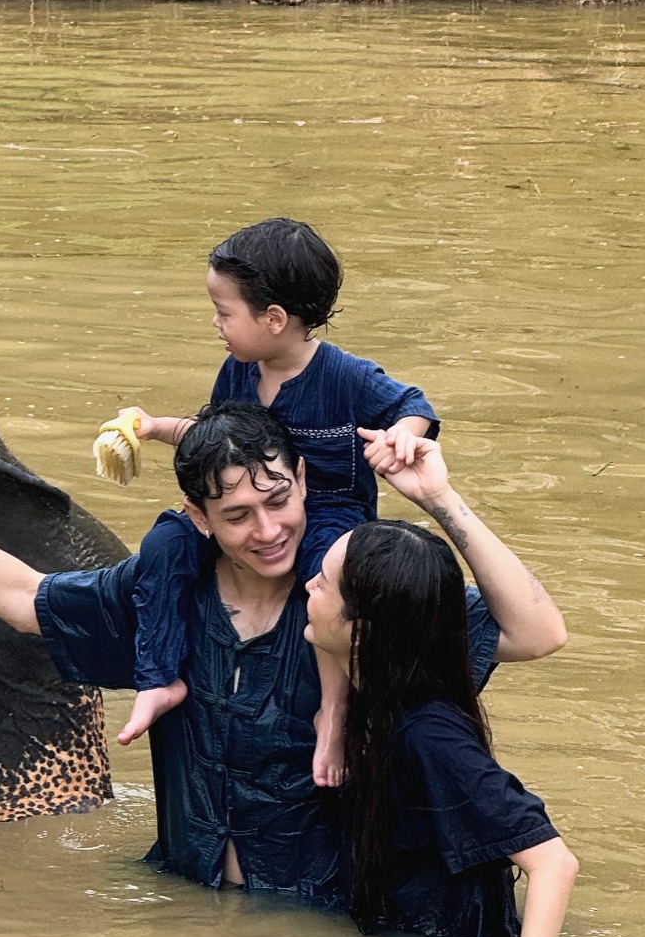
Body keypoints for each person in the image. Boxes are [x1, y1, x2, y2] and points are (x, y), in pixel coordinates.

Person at [0, 385, 573, 937]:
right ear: (197, 516)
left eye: (278, 501)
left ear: (304, 479)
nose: (269, 530)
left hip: (325, 925)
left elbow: (537, 632)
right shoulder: (165, 599)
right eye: (238, 516)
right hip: (191, 907)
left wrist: (441, 497)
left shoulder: (354, 604)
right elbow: (24, 597)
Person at [114, 217, 440, 783]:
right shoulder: (239, 372)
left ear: (274, 319)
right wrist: (152, 425)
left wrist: (402, 436)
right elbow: (215, 440)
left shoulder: (346, 376)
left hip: (332, 510)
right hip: (253, 505)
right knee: (165, 541)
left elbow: (414, 405)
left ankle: (333, 711)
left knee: (328, 578)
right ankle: (158, 677)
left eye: (224, 311)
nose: (216, 324)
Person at [307, 447, 579, 937]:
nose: (306, 585)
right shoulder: (379, 690)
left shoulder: (428, 735)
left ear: (360, 628)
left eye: (321, 583)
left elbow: (553, 862)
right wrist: (332, 711)